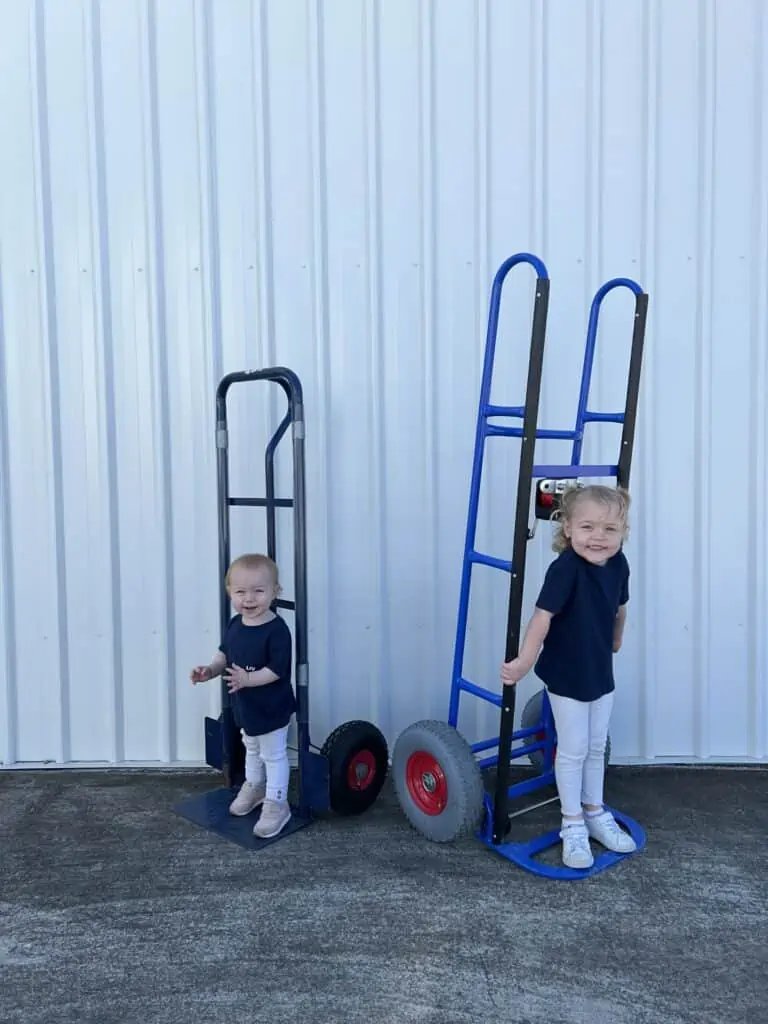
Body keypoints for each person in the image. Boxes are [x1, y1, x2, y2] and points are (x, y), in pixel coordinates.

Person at [500, 484, 637, 869]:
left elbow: (620, 606)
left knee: (595, 746)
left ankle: (594, 811)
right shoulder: (565, 570)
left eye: (610, 530)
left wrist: (617, 636)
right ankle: (572, 823)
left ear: (623, 533)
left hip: (598, 668)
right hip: (565, 671)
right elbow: (541, 618)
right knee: (574, 748)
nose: (598, 537)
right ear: (569, 531)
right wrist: (524, 662)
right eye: (588, 527)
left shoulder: (619, 563)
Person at [190, 553, 296, 839]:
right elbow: (224, 653)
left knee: (273, 754)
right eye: (240, 592)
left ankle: (277, 802)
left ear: (276, 592)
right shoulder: (236, 624)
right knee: (251, 748)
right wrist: (210, 670)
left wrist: (248, 679)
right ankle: (255, 785)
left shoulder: (277, 630)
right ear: (229, 593)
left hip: (272, 708)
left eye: (259, 591)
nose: (249, 599)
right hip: (245, 707)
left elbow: (277, 670)